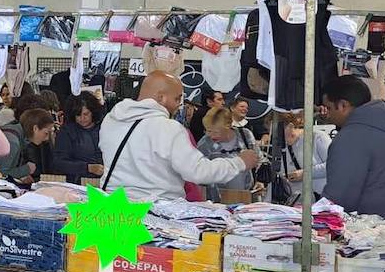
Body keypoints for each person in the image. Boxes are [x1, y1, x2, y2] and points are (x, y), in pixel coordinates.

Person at [99, 72, 260, 201]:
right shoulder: (169, 129)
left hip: (113, 211)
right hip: (156, 214)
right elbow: (198, 171)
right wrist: (239, 163)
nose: (179, 105)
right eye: (177, 99)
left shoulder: (111, 120)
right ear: (161, 97)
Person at [321, 75, 385, 222]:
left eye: (329, 108)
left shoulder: (351, 136)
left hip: (366, 228)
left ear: (343, 105)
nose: (328, 115)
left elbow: (339, 197)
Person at [196, 107, 258, 202]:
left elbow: (258, 159)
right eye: (208, 131)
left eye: (216, 132)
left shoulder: (246, 135)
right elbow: (199, 174)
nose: (211, 135)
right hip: (216, 201)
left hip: (245, 197)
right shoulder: (204, 144)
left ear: (228, 125)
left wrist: (260, 181)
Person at [278, 111, 331, 199]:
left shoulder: (318, 137)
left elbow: (333, 166)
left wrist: (305, 173)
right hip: (297, 203)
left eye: (278, 131)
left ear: (290, 126)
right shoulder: (283, 146)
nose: (275, 136)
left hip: (321, 200)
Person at [56, 92, 105, 183]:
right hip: (79, 182)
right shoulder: (67, 132)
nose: (82, 118)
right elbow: (59, 163)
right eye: (78, 115)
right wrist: (87, 168)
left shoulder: (105, 127)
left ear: (93, 112)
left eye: (86, 114)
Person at [16, 108, 57, 180]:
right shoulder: (15, 143)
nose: (47, 138)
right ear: (35, 128)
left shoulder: (25, 141)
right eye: (46, 133)